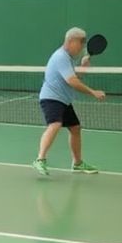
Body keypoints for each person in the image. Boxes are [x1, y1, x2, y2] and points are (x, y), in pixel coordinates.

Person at [33, 27, 105, 177]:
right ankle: (40, 159)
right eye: (81, 43)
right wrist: (93, 92)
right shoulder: (61, 57)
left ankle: (77, 163)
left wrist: (83, 67)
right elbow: (72, 81)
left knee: (75, 128)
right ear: (71, 41)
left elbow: (75, 77)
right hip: (51, 98)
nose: (82, 47)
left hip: (63, 100)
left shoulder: (69, 59)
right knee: (55, 124)